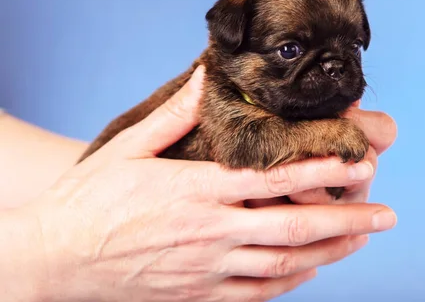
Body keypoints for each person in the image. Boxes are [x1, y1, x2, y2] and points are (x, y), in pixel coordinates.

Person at [0, 65, 398, 302]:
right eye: (289, 52)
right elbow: (242, 143)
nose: (332, 68)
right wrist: (53, 248)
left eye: (352, 48)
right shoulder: (222, 89)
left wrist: (109, 201)